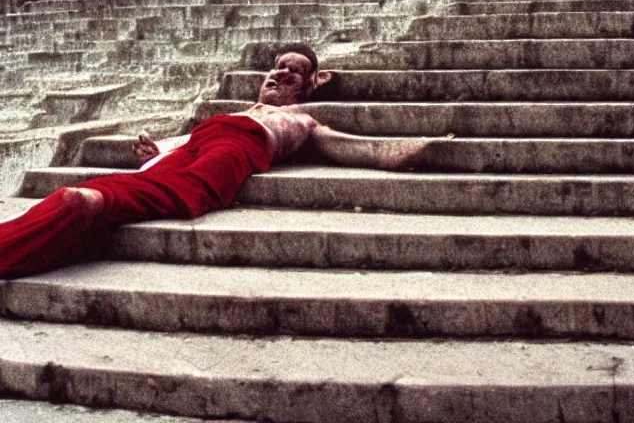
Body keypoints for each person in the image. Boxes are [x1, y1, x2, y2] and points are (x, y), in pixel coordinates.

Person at [0, 43, 438, 278]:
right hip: (184, 160)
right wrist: (158, 149)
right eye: (278, 66)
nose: (281, 72)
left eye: (294, 70)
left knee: (82, 201)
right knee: (75, 199)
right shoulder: (232, 113)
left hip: (211, 171)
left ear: (311, 83)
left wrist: (411, 150)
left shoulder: (299, 120)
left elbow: (353, 146)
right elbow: (182, 142)